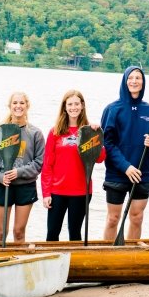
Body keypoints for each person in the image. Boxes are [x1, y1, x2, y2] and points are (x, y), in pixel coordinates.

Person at [41, 90, 106, 241]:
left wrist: (97, 136)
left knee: (75, 233)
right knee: (52, 233)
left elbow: (100, 158)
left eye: (77, 104)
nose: (73, 107)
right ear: (64, 107)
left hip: (81, 191)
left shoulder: (89, 131)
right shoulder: (55, 132)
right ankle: (52, 264)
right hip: (57, 191)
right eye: (70, 104)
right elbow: (47, 165)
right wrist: (46, 193)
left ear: (82, 106)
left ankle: (73, 264)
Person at [100, 67, 149, 241]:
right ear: (125, 81)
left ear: (143, 82)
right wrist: (126, 167)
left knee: (137, 218)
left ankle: (131, 254)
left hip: (141, 171)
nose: (134, 81)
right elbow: (107, 143)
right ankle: (107, 257)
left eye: (138, 78)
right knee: (113, 219)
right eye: (130, 78)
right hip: (117, 173)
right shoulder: (112, 109)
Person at [0, 92, 45, 243]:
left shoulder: (35, 133)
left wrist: (19, 172)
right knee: (0, 233)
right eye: (15, 103)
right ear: (9, 106)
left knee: (19, 232)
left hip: (25, 186)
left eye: (22, 103)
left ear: (27, 105)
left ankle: (18, 264)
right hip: (2, 185)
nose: (18, 106)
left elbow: (39, 162)